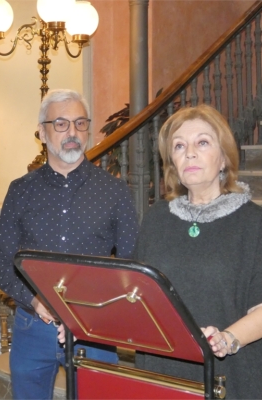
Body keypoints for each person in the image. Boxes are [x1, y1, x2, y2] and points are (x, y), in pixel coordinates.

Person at [0, 89, 139, 400]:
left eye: (80, 123)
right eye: (60, 124)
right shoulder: (20, 191)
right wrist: (35, 301)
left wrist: (91, 315)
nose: (72, 132)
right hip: (33, 328)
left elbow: (131, 267)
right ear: (42, 133)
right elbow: (1, 261)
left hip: (94, 332)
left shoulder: (115, 192)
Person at [133, 104, 262, 399]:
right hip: (161, 372)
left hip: (228, 376)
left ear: (224, 159)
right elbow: (135, 295)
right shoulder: (156, 218)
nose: (189, 152)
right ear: (173, 163)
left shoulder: (253, 224)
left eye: (202, 142)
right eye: (179, 146)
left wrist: (228, 339)